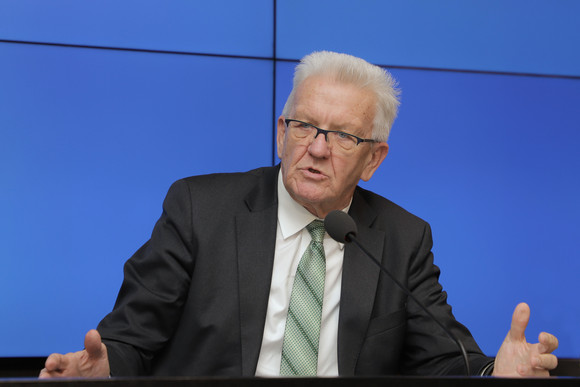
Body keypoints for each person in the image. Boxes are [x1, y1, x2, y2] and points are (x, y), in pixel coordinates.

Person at [39, 51, 558, 379]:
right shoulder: (200, 208)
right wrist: (103, 370)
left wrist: (495, 376)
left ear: (373, 159)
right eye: (305, 126)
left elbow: (444, 360)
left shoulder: (403, 238)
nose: (317, 148)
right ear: (282, 130)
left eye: (344, 137)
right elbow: (132, 338)